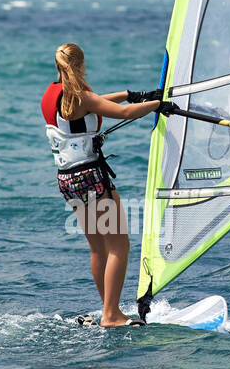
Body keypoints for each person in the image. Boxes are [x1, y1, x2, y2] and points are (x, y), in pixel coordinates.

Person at [41, 43, 164, 327]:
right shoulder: (80, 98)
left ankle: (109, 309)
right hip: (92, 179)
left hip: (68, 181)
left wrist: (129, 95)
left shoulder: (51, 94)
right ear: (81, 66)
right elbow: (121, 113)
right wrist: (159, 105)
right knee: (120, 246)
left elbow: (92, 102)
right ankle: (111, 315)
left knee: (98, 249)